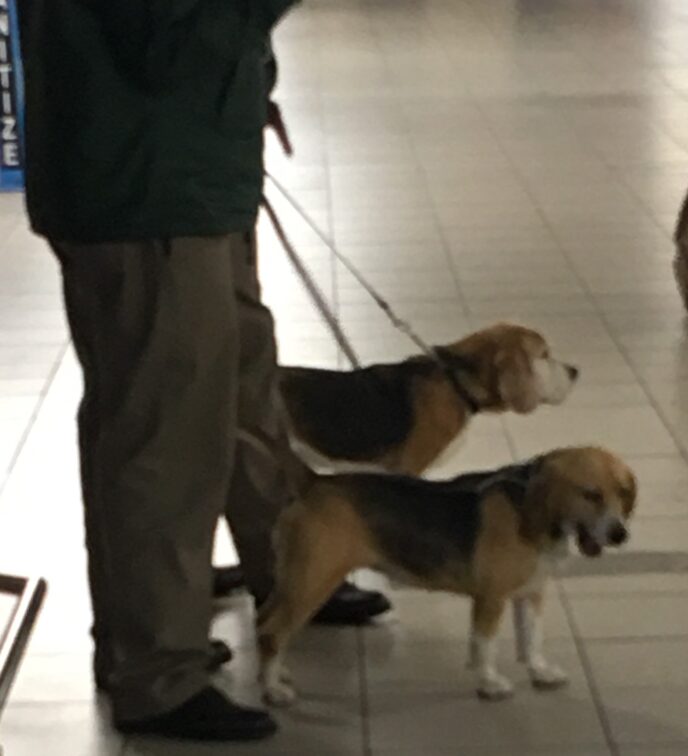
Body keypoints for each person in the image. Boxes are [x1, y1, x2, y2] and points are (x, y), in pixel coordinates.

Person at [22, 1, 388, 741]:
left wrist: (252, 89)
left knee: (239, 393)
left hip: (185, 169)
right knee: (165, 436)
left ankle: (286, 574)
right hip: (145, 191)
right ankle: (156, 667)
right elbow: (166, 45)